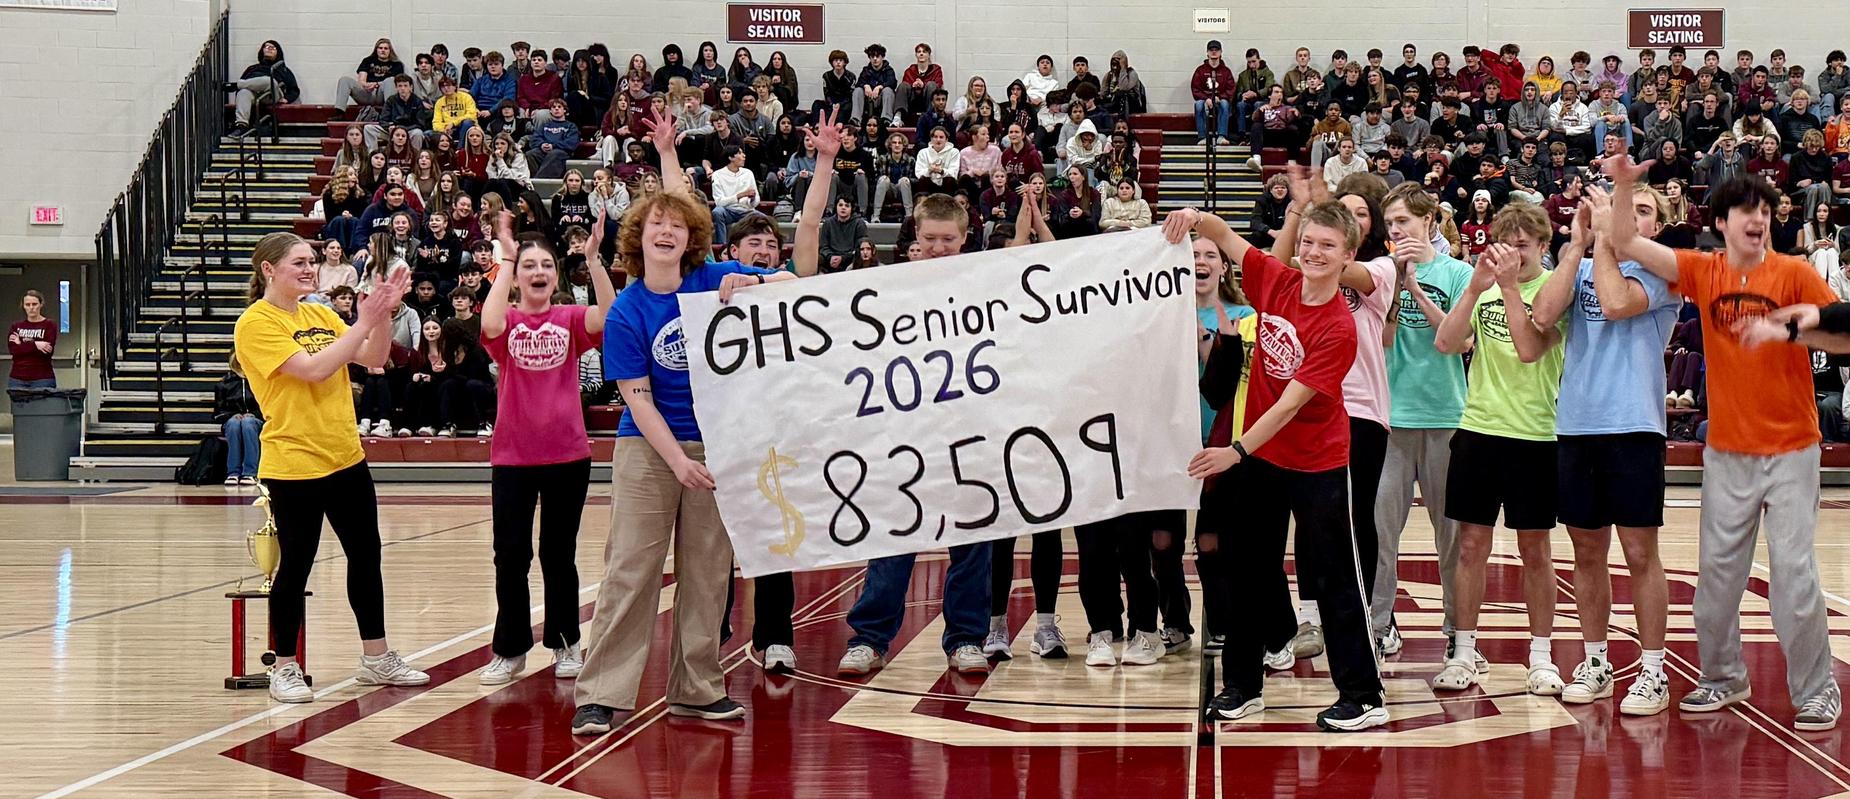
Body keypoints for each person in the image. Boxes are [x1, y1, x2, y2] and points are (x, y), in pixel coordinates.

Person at [570, 116, 800, 735]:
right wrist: (678, 462)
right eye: (655, 224)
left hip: (718, 445)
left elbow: (789, 281)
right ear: (637, 238)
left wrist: (747, 284)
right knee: (631, 569)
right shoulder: (626, 314)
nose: (666, 230)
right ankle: (600, 692)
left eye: (677, 224)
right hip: (650, 451)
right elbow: (637, 401)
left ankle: (697, 688)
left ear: (692, 237)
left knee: (707, 571)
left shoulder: (708, 280)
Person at [1608, 160, 1843, 731]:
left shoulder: (1794, 273)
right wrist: (1619, 186)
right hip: (1728, 453)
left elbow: (1842, 335)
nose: (1758, 219)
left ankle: (1817, 689)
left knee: (1793, 574)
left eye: (1765, 211)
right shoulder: (1701, 270)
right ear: (1720, 222)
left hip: (1792, 449)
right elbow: (1623, 240)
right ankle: (1722, 676)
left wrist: (1789, 328)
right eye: (1747, 211)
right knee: (1716, 577)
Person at [1164, 199, 1388, 732]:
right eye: (1308, 242)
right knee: (1250, 570)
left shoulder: (1338, 327)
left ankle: (1363, 694)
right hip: (1263, 458)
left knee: (1335, 576)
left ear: (1347, 256)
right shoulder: (1275, 280)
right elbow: (1223, 233)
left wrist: (1234, 450)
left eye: (1327, 246)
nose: (1313, 252)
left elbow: (1290, 403)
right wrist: (1193, 217)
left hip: (1317, 464)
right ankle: (1243, 687)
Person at [235, 232, 426, 704]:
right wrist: (363, 321)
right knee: (296, 564)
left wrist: (379, 318)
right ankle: (284, 666)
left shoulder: (321, 312)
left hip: (345, 455)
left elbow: (374, 358)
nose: (309, 268)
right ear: (268, 270)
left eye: (313, 261)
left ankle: (376, 657)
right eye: (299, 261)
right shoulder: (255, 323)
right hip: (294, 461)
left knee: (367, 555)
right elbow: (314, 368)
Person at [1519, 181, 1680, 715]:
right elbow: (1541, 316)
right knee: (1587, 553)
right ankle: (1595, 660)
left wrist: (1608, 240)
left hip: (1633, 426)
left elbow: (1614, 305)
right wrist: (1575, 247)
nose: (1625, 215)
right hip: (1578, 425)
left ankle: (1654, 670)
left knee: (1639, 553)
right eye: (1618, 205)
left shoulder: (1662, 272)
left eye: (1640, 210)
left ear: (1655, 227)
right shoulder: (1582, 266)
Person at [1429, 203, 1568, 698]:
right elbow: (1447, 342)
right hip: (1478, 428)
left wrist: (1507, 286)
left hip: (1536, 433)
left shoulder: (1553, 292)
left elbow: (1530, 348)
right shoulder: (1484, 286)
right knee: (1470, 545)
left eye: (1522, 247)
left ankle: (1541, 656)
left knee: (1535, 550)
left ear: (1542, 247)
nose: (1510, 255)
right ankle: (1463, 651)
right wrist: (1473, 289)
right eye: (1502, 246)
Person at [475, 205, 617, 685]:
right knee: (510, 555)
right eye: (529, 266)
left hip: (568, 456)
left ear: (557, 274)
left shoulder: (571, 317)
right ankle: (510, 649)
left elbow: (609, 316)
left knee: (559, 553)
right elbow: (489, 326)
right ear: (518, 276)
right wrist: (507, 262)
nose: (538, 272)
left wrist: (595, 261)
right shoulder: (509, 319)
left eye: (546, 265)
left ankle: (566, 643)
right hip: (512, 458)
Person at [1370, 183, 1474, 657]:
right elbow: (1385, 340)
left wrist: (1413, 284)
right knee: (1379, 532)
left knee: (1449, 535)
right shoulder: (1380, 273)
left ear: (1429, 221)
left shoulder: (1458, 272)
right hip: (1391, 418)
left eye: (1404, 222)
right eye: (1389, 224)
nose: (1395, 231)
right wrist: (1396, 281)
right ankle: (1378, 625)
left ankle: (1457, 630)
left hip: (1445, 415)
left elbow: (1458, 341)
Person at [231, 39, 299, 136]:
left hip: (272, 93)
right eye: (267, 47)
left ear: (278, 53)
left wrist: (287, 99)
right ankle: (241, 126)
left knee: (268, 80)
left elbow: (294, 90)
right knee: (243, 92)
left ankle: (235, 85)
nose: (269, 49)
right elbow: (243, 86)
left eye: (273, 48)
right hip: (255, 95)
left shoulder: (283, 69)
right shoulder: (252, 68)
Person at [215, 351, 263, 486]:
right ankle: (233, 472)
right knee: (235, 424)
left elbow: (269, 404)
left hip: (257, 421)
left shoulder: (261, 380)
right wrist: (231, 415)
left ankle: (250, 473)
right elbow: (217, 413)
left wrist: (255, 414)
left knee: (248, 423)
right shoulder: (224, 384)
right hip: (232, 422)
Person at [335, 38, 403, 114]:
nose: (383, 50)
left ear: (390, 51)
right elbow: (361, 80)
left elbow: (398, 83)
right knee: (344, 80)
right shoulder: (367, 61)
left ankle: (390, 113)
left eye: (386, 48)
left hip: (382, 94)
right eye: (380, 48)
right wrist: (366, 85)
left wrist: (377, 84)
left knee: (390, 81)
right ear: (376, 49)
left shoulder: (397, 64)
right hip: (367, 92)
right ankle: (339, 112)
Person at [7, 290, 57, 389]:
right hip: (18, 378)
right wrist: (36, 344)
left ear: (41, 304)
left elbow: (46, 352)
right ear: (23, 306)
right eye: (27, 304)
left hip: (42, 378)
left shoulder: (49, 325)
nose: (31, 308)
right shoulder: (16, 326)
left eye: (34, 304)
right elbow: (14, 351)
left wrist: (21, 344)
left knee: (42, 404)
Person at [1192, 40, 1235, 146]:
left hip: (1219, 100)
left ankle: (1221, 136)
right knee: (1198, 105)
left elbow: (1231, 89)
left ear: (1221, 52)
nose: (1214, 52)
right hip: (1205, 100)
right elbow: (1195, 89)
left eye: (1217, 50)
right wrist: (1206, 98)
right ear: (1207, 53)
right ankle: (1203, 137)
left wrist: (1220, 97)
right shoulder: (1200, 70)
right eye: (1211, 50)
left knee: (1225, 104)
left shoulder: (1226, 71)